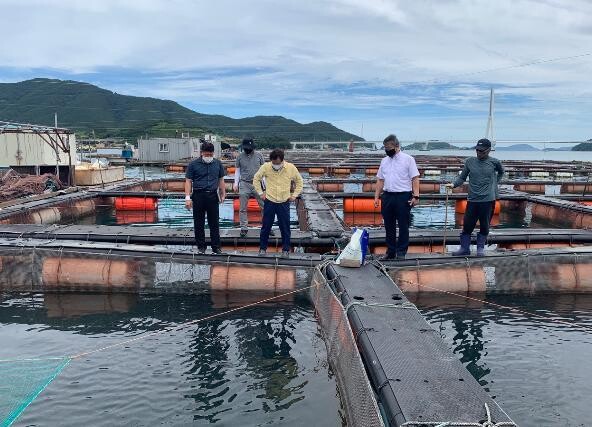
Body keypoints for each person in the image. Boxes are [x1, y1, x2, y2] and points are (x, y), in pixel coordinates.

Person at [446, 138, 504, 256]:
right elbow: (462, 177)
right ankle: (464, 249)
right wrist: (453, 184)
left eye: (482, 151)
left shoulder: (495, 162)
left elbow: (501, 172)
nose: (479, 153)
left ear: (488, 150)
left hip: (488, 200)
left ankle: (480, 249)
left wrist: (494, 183)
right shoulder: (469, 162)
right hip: (472, 199)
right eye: (477, 150)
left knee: (485, 225)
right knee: (467, 225)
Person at [373, 134, 420, 260]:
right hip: (387, 196)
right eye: (385, 148)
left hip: (403, 196)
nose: (387, 150)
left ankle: (401, 252)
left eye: (389, 147)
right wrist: (376, 197)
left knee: (403, 225)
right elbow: (380, 180)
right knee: (389, 225)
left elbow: (415, 178)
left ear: (397, 146)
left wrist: (416, 196)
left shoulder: (408, 159)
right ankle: (390, 251)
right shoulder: (384, 161)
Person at [253, 148, 303, 257]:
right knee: (266, 226)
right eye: (273, 163)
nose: (275, 165)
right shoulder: (266, 167)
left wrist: (294, 195)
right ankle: (262, 249)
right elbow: (256, 179)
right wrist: (261, 193)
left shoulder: (290, 168)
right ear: (271, 160)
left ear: (282, 160)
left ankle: (285, 249)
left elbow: (299, 181)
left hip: (284, 202)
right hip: (270, 201)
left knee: (285, 227)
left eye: (278, 163)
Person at [184, 141, 226, 254]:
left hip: (212, 195)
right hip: (198, 195)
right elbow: (188, 181)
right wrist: (187, 198)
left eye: (210, 155)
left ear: (213, 153)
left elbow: (221, 180)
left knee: (214, 223)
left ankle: (216, 247)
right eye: (206, 155)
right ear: (201, 153)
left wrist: (223, 193)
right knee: (199, 223)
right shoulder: (193, 165)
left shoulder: (218, 164)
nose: (208, 157)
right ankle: (201, 247)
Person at [233, 138, 267, 237]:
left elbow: (263, 171)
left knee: (264, 206)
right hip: (244, 183)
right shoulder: (239, 157)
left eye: (250, 148)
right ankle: (244, 228)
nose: (248, 150)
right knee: (242, 207)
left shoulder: (259, 155)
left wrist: (265, 186)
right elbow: (237, 171)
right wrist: (236, 183)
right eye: (246, 148)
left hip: (258, 183)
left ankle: (266, 227)